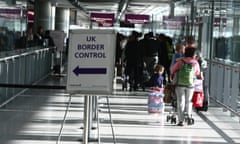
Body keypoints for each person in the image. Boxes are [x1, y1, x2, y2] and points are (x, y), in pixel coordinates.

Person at [170, 47, 202, 126]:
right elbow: (197, 73)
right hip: (190, 84)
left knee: (180, 101)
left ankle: (180, 120)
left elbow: (172, 70)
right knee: (188, 101)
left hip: (180, 84)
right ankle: (188, 116)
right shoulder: (195, 62)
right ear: (193, 54)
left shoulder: (180, 61)